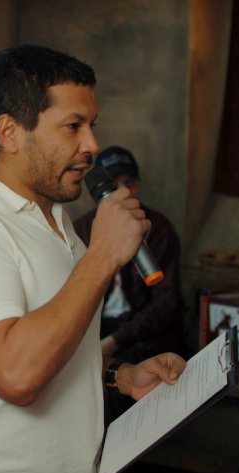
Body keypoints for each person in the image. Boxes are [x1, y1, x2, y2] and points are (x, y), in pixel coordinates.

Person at [0, 44, 186, 473]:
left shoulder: (57, 222)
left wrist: (121, 376)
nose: (92, 145)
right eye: (73, 126)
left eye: (92, 126)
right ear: (10, 133)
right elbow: (16, 376)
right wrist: (102, 255)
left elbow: (58, 345)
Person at [73, 146, 187, 365]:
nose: (125, 191)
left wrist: (115, 341)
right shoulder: (81, 229)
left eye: (131, 182)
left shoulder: (159, 228)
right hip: (95, 331)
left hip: (144, 336)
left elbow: (165, 303)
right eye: (115, 184)